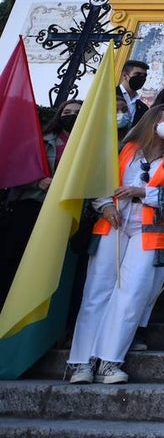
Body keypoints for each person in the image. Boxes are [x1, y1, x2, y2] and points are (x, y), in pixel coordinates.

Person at [67, 103, 164, 384]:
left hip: (149, 233)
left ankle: (110, 361)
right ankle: (81, 362)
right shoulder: (124, 150)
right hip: (113, 224)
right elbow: (98, 181)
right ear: (152, 120)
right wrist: (103, 206)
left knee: (132, 294)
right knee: (97, 291)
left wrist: (142, 191)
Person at [1, 100, 82, 306]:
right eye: (67, 111)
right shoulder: (40, 142)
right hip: (31, 207)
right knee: (12, 260)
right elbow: (15, 171)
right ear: (59, 115)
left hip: (63, 213)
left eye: (77, 112)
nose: (71, 115)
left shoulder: (88, 147)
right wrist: (39, 182)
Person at [117, 59, 150, 128]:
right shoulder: (109, 95)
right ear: (125, 75)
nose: (141, 78)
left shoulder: (144, 108)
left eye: (144, 76)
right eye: (137, 74)